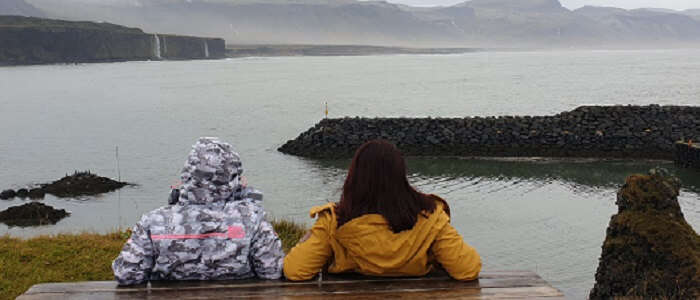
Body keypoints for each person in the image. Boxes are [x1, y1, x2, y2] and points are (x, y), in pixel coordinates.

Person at [283, 139, 481, 281]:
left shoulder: (335, 220)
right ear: (401, 176)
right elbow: (467, 269)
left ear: (354, 178)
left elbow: (295, 271)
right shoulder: (430, 217)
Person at [112, 137, 284, 285]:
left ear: (187, 175)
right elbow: (272, 271)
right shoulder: (252, 218)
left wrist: (176, 202)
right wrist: (245, 202)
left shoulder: (153, 221)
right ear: (232, 179)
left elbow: (126, 275)